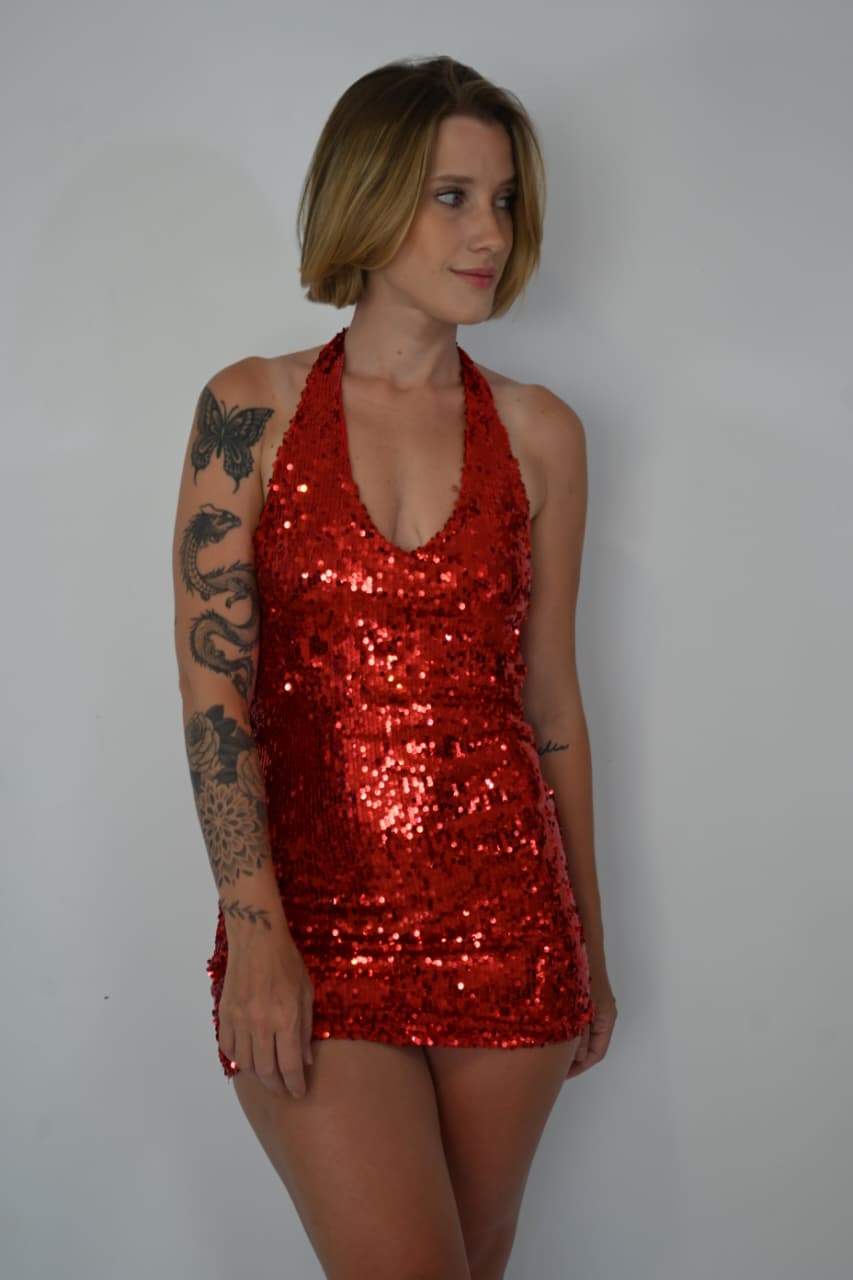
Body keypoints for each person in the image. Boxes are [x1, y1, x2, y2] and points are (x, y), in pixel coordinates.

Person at [172, 53, 616, 1280]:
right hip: (311, 928)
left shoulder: (540, 431)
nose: (490, 234)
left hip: (510, 927)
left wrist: (588, 942)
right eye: (451, 196)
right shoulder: (249, 412)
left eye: (504, 199)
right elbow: (214, 695)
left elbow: (551, 704)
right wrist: (254, 928)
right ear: (367, 198)